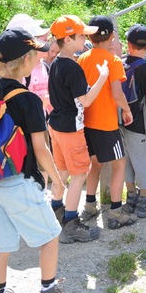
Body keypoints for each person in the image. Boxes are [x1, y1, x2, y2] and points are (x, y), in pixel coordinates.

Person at [0, 28, 76, 293]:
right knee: (50, 235)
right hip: (20, 180)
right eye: (35, 52)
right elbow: (40, 148)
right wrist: (58, 181)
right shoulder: (28, 99)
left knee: (1, 244)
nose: (40, 56)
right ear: (25, 60)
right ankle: (49, 292)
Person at [47, 15, 109, 243]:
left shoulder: (56, 64)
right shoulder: (73, 68)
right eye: (82, 35)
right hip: (71, 129)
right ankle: (71, 224)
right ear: (68, 38)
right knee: (80, 173)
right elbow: (85, 101)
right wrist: (102, 78)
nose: (86, 37)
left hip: (56, 126)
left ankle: (55, 209)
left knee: (62, 170)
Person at [77, 16, 137, 230]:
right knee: (119, 164)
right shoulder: (113, 61)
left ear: (90, 36)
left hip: (87, 121)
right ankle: (115, 211)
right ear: (111, 36)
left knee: (96, 164)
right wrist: (127, 110)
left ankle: (90, 205)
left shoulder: (82, 58)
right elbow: (118, 94)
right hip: (107, 123)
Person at [119, 24, 146, 218]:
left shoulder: (120, 64)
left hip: (120, 121)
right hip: (141, 123)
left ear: (128, 44)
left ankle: (130, 197)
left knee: (127, 160)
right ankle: (145, 200)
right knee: (145, 160)